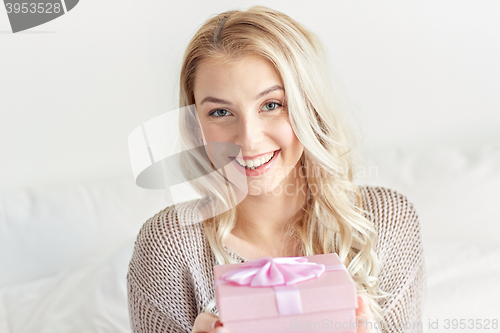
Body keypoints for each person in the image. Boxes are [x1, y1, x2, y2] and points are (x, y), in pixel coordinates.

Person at [127, 6, 426, 333]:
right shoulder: (169, 245)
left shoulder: (384, 224)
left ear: (309, 109)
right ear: (196, 125)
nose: (248, 139)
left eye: (271, 105)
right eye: (220, 112)